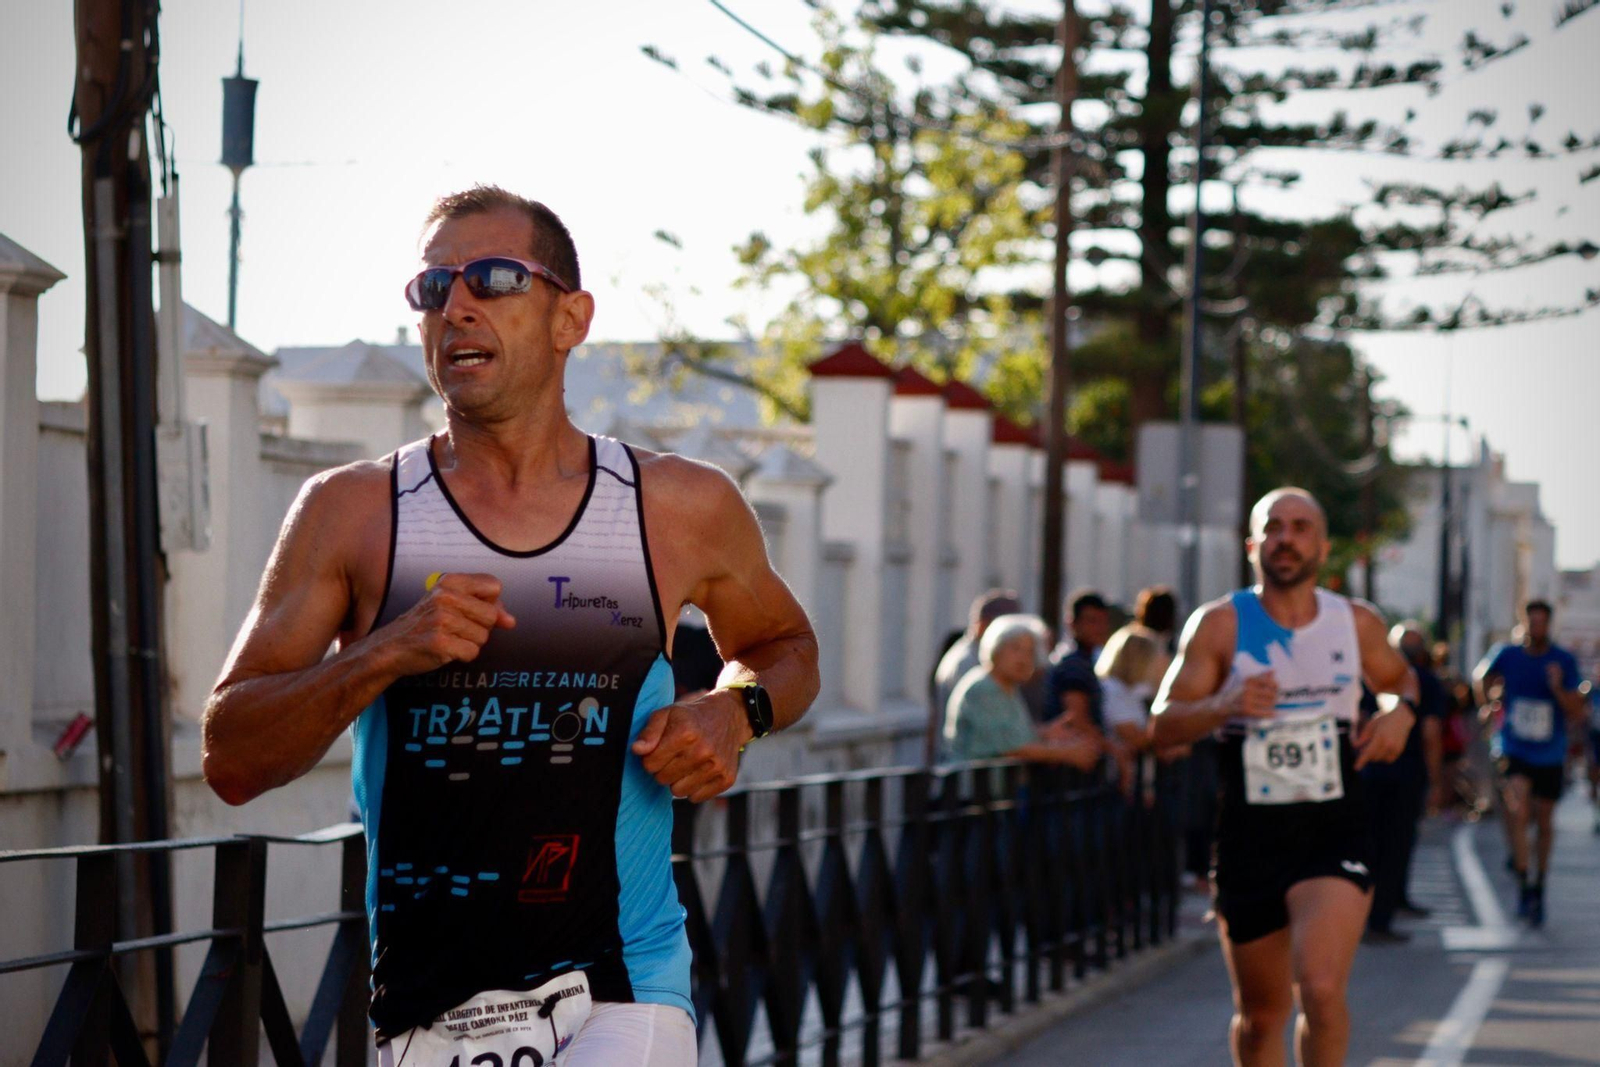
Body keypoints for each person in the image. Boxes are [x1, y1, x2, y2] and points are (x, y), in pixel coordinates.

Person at [200, 186, 820, 1065]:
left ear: (572, 318)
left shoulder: (674, 507)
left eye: (492, 279)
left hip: (622, 984)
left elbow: (788, 649)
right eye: (432, 287)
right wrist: (382, 652)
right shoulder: (354, 513)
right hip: (425, 1007)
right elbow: (231, 756)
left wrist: (735, 711)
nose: (455, 306)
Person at [1151, 488, 1418, 1067]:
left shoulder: (1357, 623)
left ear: (1322, 545)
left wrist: (1400, 711)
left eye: (1300, 528)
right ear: (1253, 545)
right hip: (1250, 833)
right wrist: (1224, 704)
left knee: (1320, 990)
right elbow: (1162, 725)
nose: (1286, 539)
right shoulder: (1220, 625)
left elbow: (1402, 680)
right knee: (1260, 1019)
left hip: (1332, 827)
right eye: (1273, 528)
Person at [1473, 600, 1585, 926]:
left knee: (1545, 822)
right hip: (1515, 746)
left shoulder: (1562, 660)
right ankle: (1524, 881)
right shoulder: (1507, 654)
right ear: (1522, 622)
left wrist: (1556, 687)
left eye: (1540, 623)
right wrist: (1488, 703)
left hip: (1550, 751)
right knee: (1519, 810)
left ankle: (1539, 882)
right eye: (1529, 622)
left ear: (1548, 625)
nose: (1534, 628)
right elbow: (1481, 676)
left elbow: (1575, 710)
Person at [1360, 624, 1447, 944]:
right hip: (1401, 776)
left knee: (1371, 846)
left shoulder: (1368, 677)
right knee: (1395, 846)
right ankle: (1379, 919)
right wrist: (1436, 780)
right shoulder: (1424, 682)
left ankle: (1379, 910)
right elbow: (1431, 733)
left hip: (1369, 774)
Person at [943, 614, 1103, 771]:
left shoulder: (1007, 687)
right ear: (995, 648)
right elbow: (1010, 747)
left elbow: (1009, 735)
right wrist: (1067, 753)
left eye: (1030, 652)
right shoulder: (985, 688)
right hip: (972, 791)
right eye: (1015, 648)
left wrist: (1043, 733)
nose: (1023, 658)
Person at [1096, 624, 1184, 796]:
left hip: (1128, 784)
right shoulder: (1113, 690)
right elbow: (1135, 736)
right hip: (1111, 785)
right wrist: (1170, 746)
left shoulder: (1131, 691)